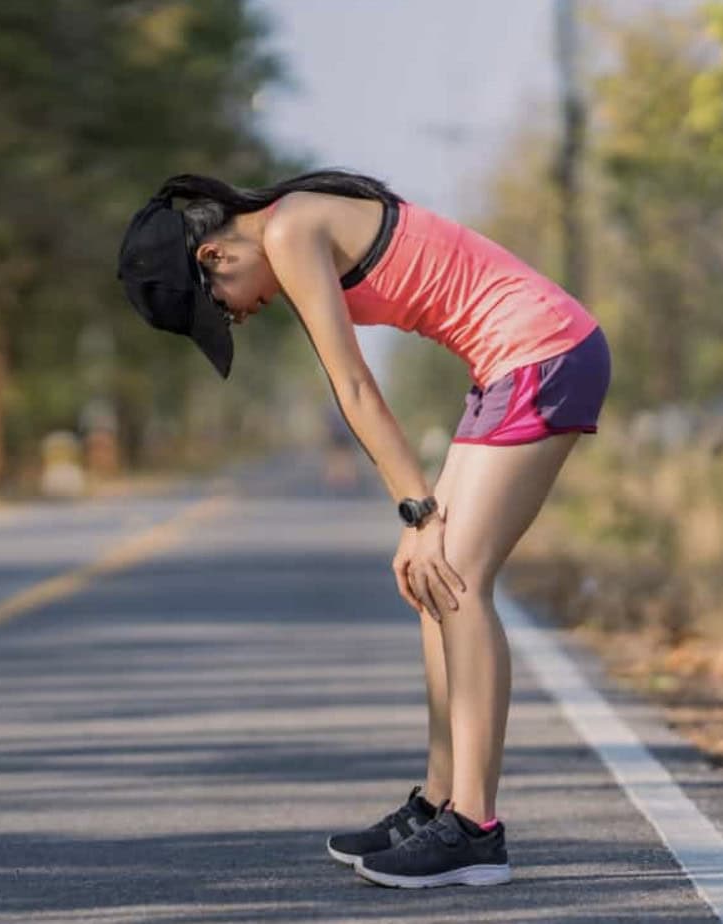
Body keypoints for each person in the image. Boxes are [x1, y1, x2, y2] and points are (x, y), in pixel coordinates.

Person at [116, 169, 611, 889]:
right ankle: (441, 803)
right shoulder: (292, 226)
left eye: (217, 309)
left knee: (457, 579)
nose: (235, 317)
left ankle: (476, 830)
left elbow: (351, 385)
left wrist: (417, 513)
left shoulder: (289, 230)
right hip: (512, 363)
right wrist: (418, 523)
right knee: (429, 581)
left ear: (213, 258)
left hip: (545, 353)